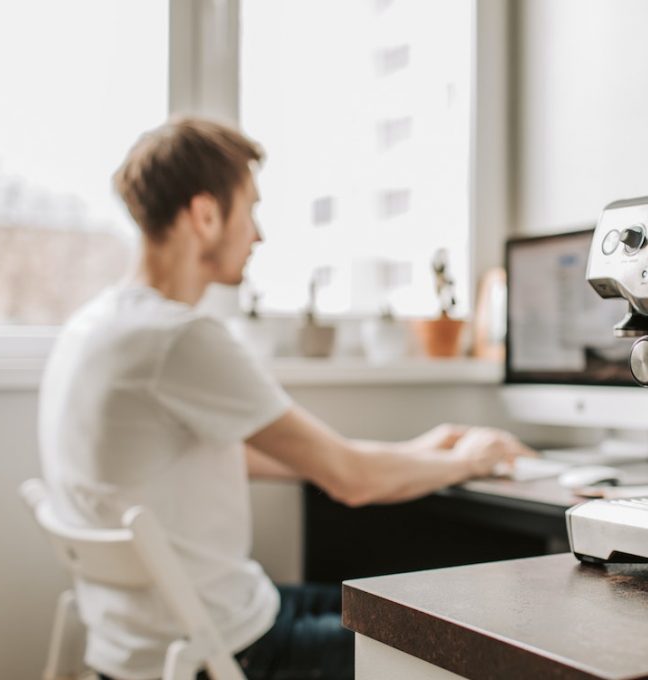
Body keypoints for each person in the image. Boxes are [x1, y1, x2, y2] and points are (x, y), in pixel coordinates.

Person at [37, 116, 534, 680]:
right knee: (457, 649)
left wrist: (424, 450)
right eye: (250, 209)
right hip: (226, 650)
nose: (258, 234)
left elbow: (256, 456)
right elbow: (351, 479)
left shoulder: (93, 328)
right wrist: (470, 460)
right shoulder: (178, 338)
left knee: (385, 603)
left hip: (142, 640)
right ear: (204, 215)